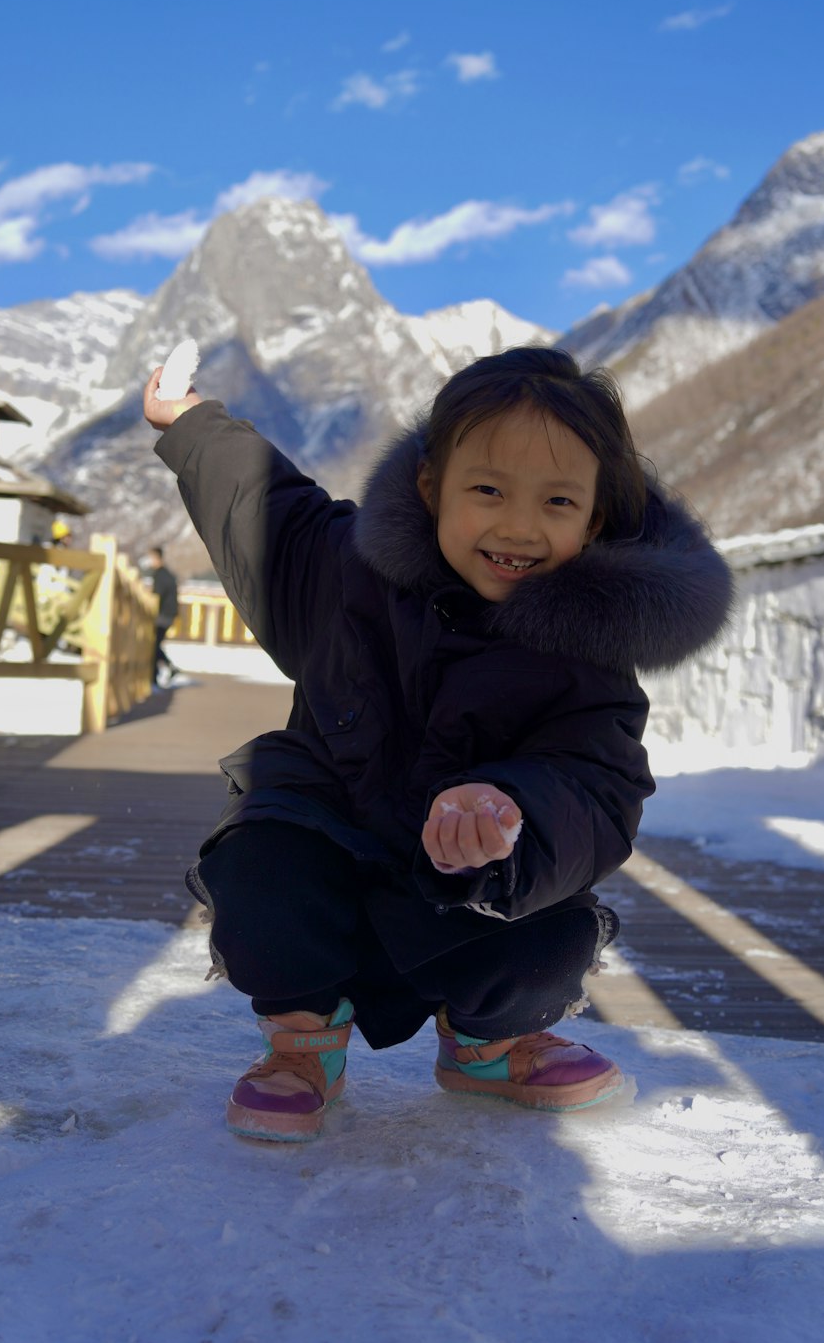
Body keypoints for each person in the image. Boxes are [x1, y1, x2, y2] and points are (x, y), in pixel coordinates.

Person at [143, 347, 732, 1144]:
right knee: (259, 867)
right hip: (330, 851)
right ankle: (302, 1044)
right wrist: (190, 423)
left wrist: (512, 812)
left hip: (466, 897)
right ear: (432, 488)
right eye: (487, 489)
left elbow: (597, 782)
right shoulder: (349, 568)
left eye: (557, 500)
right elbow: (267, 509)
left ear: (594, 519)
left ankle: (492, 1046)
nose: (519, 525)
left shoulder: (589, 652)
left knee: (552, 937)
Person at [146, 545, 180, 686]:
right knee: (155, 644)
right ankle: (167, 668)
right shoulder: (166, 574)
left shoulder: (160, 575)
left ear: (156, 557)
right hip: (169, 614)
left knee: (152, 645)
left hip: (163, 615)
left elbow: (157, 597)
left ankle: (156, 676)